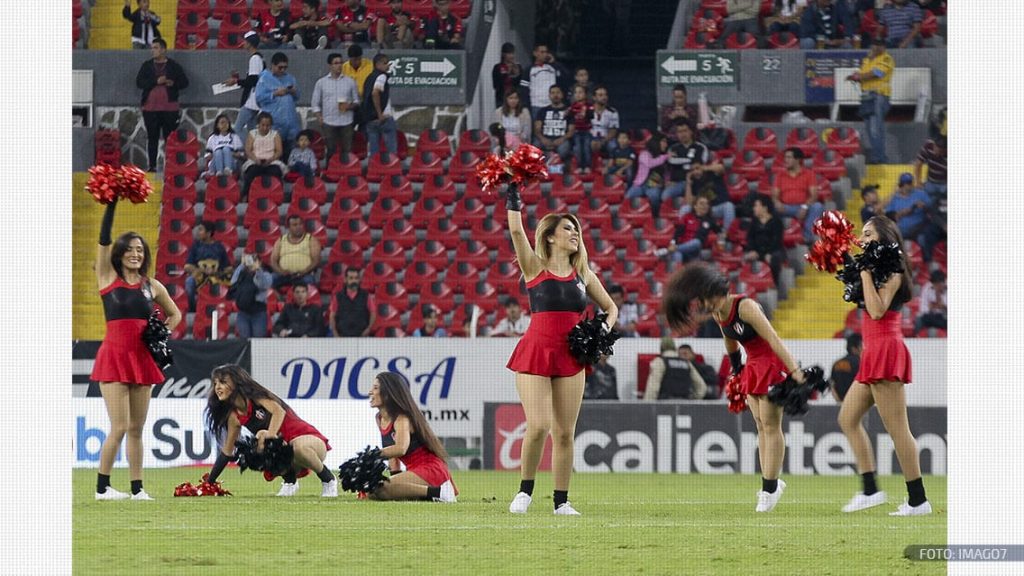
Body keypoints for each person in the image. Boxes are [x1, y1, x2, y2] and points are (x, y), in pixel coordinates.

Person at [504, 189, 619, 515]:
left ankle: (561, 501)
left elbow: (611, 309)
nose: (575, 234)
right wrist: (513, 194)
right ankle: (524, 492)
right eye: (567, 229)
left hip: (571, 358)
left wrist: (601, 331)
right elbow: (515, 230)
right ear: (551, 237)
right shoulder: (534, 267)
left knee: (565, 433)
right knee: (538, 426)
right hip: (536, 353)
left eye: (577, 230)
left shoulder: (583, 274)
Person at [663, 263, 806, 512]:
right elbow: (730, 341)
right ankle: (770, 485)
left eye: (706, 298)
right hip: (752, 367)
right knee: (761, 426)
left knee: (772, 426)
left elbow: (772, 338)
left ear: (718, 291)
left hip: (770, 364)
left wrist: (794, 371)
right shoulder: (719, 313)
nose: (704, 305)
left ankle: (769, 488)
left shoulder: (746, 306)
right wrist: (737, 371)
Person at [837, 216, 932, 516]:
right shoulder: (875, 269)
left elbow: (877, 311)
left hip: (887, 351)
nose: (862, 239)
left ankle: (918, 500)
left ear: (884, 236)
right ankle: (870, 490)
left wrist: (864, 274)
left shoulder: (893, 270)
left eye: (868, 234)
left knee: (898, 430)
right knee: (847, 418)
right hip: (872, 352)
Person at [91, 198, 182, 500]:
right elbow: (103, 239)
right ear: (120, 254)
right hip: (114, 358)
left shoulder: (152, 286)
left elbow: (175, 313)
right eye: (129, 249)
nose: (134, 254)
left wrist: (163, 332)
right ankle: (102, 488)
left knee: (136, 429)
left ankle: (137, 489)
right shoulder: (107, 278)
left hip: (143, 360)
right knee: (118, 427)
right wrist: (112, 203)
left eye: (139, 250)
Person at [204, 364, 336, 497]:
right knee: (256, 446)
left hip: (310, 443)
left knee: (271, 439)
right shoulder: (234, 416)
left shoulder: (256, 397)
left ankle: (328, 480)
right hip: (290, 456)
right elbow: (227, 452)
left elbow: (279, 411)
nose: (217, 387)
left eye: (223, 382)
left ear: (237, 383)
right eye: (215, 383)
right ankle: (290, 481)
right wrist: (210, 482)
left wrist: (270, 438)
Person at [367, 372, 457, 502]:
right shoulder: (379, 418)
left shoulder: (402, 418)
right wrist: (395, 480)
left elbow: (400, 448)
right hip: (414, 470)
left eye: (375, 388)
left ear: (388, 394)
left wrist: (372, 455)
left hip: (430, 468)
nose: (370, 392)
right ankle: (432, 495)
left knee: (380, 488)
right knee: (373, 491)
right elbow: (391, 452)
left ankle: (440, 492)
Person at [135, 38, 189, 173]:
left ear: (164, 49)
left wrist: (173, 83)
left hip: (170, 108)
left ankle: (171, 165)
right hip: (150, 108)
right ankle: (152, 166)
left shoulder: (174, 66)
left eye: (156, 47)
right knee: (152, 137)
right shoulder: (146, 65)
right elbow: (139, 82)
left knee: (170, 139)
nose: (153, 50)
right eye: (152, 48)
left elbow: (184, 82)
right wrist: (156, 81)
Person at [847, 37, 894, 164]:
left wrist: (859, 76)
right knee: (869, 129)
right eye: (874, 44)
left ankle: (880, 159)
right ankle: (878, 157)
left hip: (879, 96)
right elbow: (863, 74)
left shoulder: (886, 58)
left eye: (879, 45)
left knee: (875, 129)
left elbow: (878, 73)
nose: (876, 47)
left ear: (883, 47)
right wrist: (855, 76)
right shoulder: (867, 60)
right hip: (867, 98)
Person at [311, 52, 361, 162]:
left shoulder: (350, 82)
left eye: (341, 63)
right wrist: (319, 117)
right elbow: (315, 103)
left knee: (347, 150)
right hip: (329, 121)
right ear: (330, 65)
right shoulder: (321, 83)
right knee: (331, 150)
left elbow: (357, 101)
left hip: (346, 121)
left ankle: (347, 172)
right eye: (336, 63)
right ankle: (330, 172)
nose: (339, 65)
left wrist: (350, 106)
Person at [772, 147, 824, 244]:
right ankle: (775, 237)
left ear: (798, 160)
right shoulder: (780, 175)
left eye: (789, 157)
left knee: (817, 206)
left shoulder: (809, 174)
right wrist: (777, 202)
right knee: (770, 207)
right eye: (785, 157)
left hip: (803, 206)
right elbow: (775, 195)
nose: (785, 160)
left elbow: (814, 195)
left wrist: (804, 207)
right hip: (785, 207)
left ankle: (807, 237)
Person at [255, 52, 301, 153]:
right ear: (273, 65)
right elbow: (259, 98)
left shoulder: (290, 78)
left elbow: (297, 97)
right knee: (275, 153)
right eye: (280, 67)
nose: (283, 70)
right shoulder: (264, 79)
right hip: (275, 122)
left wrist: (294, 91)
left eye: (285, 67)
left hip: (290, 122)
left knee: (292, 153)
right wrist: (275, 93)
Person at [677, 157, 735, 233]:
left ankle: (725, 234)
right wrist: (688, 183)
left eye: (697, 168)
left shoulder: (712, 173)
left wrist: (704, 168)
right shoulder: (694, 181)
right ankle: (682, 234)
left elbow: (721, 168)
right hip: (702, 209)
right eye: (692, 170)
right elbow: (689, 203)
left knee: (729, 206)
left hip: (717, 208)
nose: (695, 172)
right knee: (685, 208)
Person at [183, 221, 232, 311]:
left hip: (217, 277)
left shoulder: (219, 247)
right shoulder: (195, 246)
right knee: (189, 282)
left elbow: (228, 268)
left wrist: (217, 272)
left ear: (209, 233)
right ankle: (193, 309)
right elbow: (187, 266)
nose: (198, 232)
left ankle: (224, 309)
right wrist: (202, 270)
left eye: (201, 230)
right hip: (199, 277)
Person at [662, 120, 713, 205]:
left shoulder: (701, 147)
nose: (683, 134)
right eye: (679, 132)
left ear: (691, 132)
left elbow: (700, 165)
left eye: (685, 131)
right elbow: (670, 162)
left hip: (696, 182)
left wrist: (682, 161)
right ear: (677, 134)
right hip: (677, 183)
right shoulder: (672, 148)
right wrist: (667, 180)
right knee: (665, 196)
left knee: (698, 200)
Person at [240, 112, 287, 200]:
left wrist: (270, 159)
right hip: (255, 160)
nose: (265, 128)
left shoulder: (275, 134)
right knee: (251, 172)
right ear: (258, 124)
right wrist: (255, 159)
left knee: (276, 172)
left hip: (271, 161)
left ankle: (277, 195)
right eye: (263, 125)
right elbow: (248, 150)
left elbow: (279, 151)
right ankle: (246, 194)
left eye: (268, 125)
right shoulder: (252, 133)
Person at [226, 32, 265, 136]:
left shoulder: (255, 59)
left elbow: (252, 81)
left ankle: (244, 149)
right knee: (252, 130)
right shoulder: (258, 58)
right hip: (254, 100)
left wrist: (236, 81)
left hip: (252, 100)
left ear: (249, 43)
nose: (243, 43)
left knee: (238, 129)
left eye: (245, 41)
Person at [228, 253, 273, 338]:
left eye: (255, 260)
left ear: (260, 262)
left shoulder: (266, 275)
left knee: (258, 340)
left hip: (258, 312)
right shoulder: (242, 274)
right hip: (243, 312)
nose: (251, 262)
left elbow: (262, 285)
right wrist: (241, 265)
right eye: (250, 259)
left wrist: (258, 270)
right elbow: (233, 282)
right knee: (244, 340)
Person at [270, 215, 322, 289]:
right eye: (295, 225)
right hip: (283, 275)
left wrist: (304, 271)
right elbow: (273, 260)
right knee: (268, 280)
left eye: (300, 224)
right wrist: (281, 271)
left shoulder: (311, 239)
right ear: (288, 227)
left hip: (304, 275)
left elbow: (316, 260)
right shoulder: (281, 240)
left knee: (309, 281)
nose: (298, 227)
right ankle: (277, 297)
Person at [745, 194, 786, 287]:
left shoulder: (776, 221)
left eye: (756, 206)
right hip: (757, 251)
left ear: (764, 208)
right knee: (746, 257)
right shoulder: (754, 222)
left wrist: (768, 253)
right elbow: (750, 238)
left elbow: (776, 241)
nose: (754, 208)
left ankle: (774, 285)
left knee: (774, 259)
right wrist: (751, 250)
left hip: (773, 251)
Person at [362, 53, 398, 157]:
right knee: (392, 151)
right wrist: (379, 114)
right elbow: (375, 93)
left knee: (374, 152)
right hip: (383, 118)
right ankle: (391, 171)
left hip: (370, 119)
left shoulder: (369, 78)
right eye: (385, 63)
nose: (388, 65)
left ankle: (374, 170)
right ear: (378, 64)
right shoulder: (381, 76)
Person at [625, 134, 670, 218]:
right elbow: (650, 164)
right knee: (628, 197)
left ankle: (655, 218)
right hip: (641, 184)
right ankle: (627, 218)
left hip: (655, 185)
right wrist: (664, 157)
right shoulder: (644, 153)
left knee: (655, 197)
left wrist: (667, 181)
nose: (666, 145)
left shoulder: (664, 156)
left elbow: (666, 172)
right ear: (656, 142)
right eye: (663, 142)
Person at [667, 195, 719, 263]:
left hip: (696, 250)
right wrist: (672, 243)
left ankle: (670, 251)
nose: (705, 206)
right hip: (683, 247)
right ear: (695, 206)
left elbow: (720, 232)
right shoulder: (687, 217)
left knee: (696, 242)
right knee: (677, 255)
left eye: (707, 204)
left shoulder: (710, 221)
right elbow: (677, 232)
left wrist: (723, 235)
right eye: (701, 203)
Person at [533, 85, 574, 168]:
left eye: (558, 92)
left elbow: (571, 131)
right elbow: (537, 129)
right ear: (549, 95)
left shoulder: (568, 111)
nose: (555, 95)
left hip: (561, 140)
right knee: (535, 145)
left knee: (564, 148)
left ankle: (550, 162)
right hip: (545, 139)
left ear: (562, 95)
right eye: (553, 93)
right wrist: (543, 139)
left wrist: (561, 139)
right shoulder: (543, 111)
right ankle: (550, 160)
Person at [330, 267, 377, 336]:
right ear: (345, 280)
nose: (354, 281)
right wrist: (335, 333)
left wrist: (369, 328)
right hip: (343, 336)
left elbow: (373, 313)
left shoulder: (366, 296)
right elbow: (332, 316)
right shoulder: (338, 296)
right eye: (351, 278)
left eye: (356, 278)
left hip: (361, 336)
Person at [884, 172, 931, 240]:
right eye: (907, 183)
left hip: (919, 228)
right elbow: (889, 214)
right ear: (901, 185)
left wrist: (924, 206)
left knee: (923, 238)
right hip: (902, 229)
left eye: (910, 182)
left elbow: (931, 208)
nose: (910, 185)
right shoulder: (895, 198)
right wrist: (901, 213)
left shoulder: (920, 193)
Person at [522, 43, 560, 119]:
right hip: (536, 105)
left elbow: (565, 76)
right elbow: (524, 89)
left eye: (546, 52)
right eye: (542, 52)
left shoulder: (553, 68)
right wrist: (527, 105)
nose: (544, 54)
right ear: (535, 53)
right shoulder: (529, 70)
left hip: (552, 104)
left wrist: (554, 63)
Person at [204, 114, 245, 178]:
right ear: (217, 125)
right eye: (222, 123)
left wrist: (230, 154)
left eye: (227, 123)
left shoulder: (234, 137)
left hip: (231, 163)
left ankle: (228, 170)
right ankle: (219, 171)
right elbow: (207, 155)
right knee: (218, 151)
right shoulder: (212, 138)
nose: (225, 125)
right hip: (215, 164)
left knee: (226, 149)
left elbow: (242, 154)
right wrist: (215, 154)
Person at [567, 85, 595, 175]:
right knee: (578, 148)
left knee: (586, 147)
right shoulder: (572, 107)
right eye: (576, 93)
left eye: (580, 92)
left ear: (585, 94)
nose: (578, 95)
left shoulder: (589, 106)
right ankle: (579, 166)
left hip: (587, 131)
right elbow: (569, 118)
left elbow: (591, 116)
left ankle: (587, 166)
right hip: (576, 132)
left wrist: (586, 112)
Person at [830, 333, 862, 402]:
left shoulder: (836, 364)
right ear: (854, 348)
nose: (863, 349)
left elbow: (832, 385)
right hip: (858, 403)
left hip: (840, 404)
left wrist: (840, 401)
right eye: (861, 346)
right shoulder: (860, 363)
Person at [589, 86, 620, 158]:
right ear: (594, 97)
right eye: (600, 95)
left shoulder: (613, 112)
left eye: (605, 95)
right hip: (590, 138)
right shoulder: (588, 110)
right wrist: (591, 140)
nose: (604, 97)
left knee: (613, 146)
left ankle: (611, 167)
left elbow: (613, 132)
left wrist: (602, 142)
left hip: (606, 138)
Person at [913, 136, 947, 200]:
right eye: (936, 150)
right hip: (930, 182)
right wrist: (918, 182)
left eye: (940, 152)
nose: (937, 153)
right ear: (934, 145)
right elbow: (918, 164)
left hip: (944, 184)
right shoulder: (928, 146)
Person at [492, 42, 523, 108]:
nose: (511, 56)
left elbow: (520, 83)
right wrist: (506, 74)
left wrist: (517, 74)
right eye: (509, 53)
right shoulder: (498, 67)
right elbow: (496, 85)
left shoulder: (518, 66)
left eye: (512, 53)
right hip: (502, 98)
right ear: (503, 54)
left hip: (515, 98)